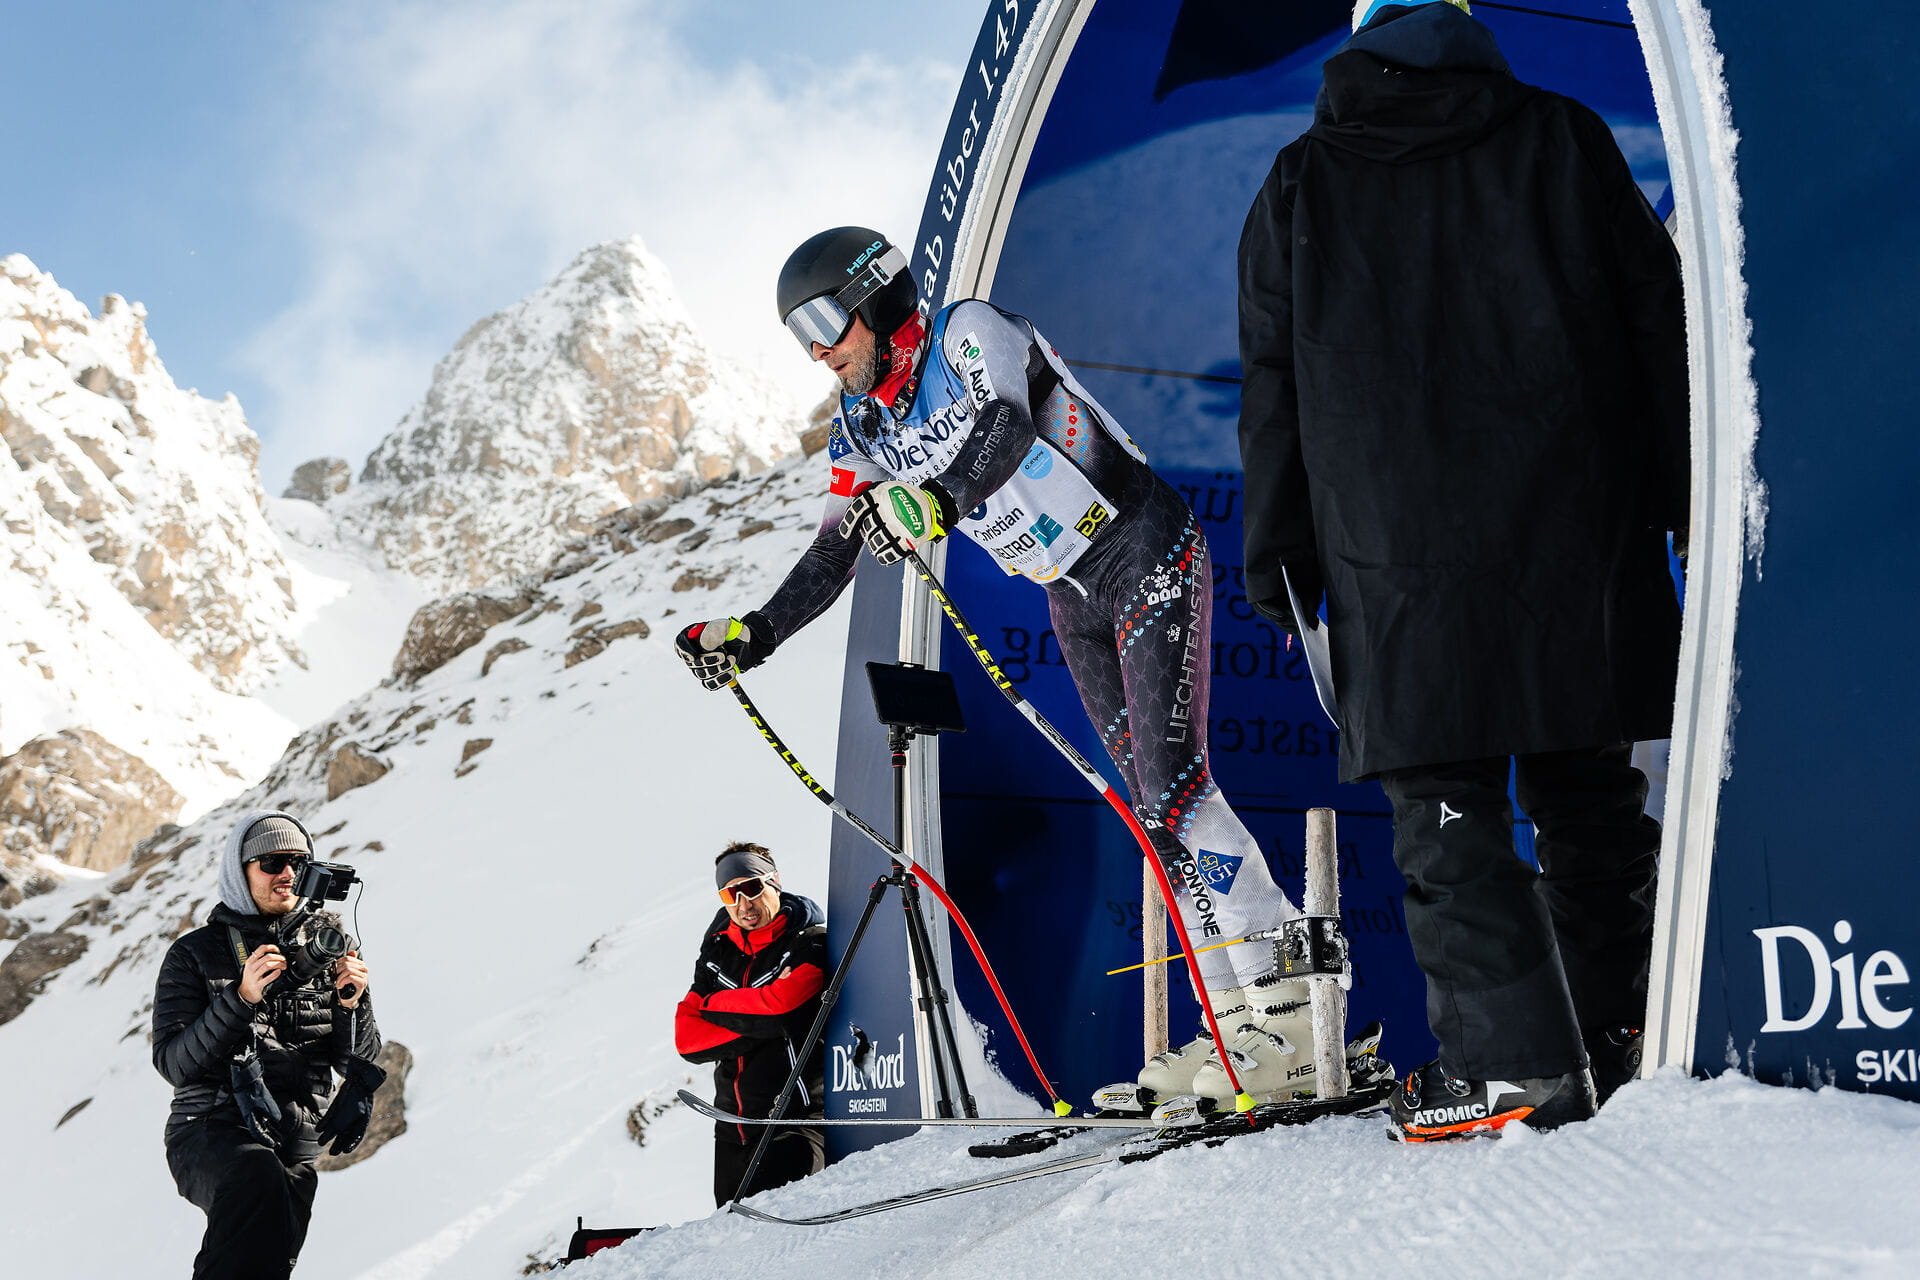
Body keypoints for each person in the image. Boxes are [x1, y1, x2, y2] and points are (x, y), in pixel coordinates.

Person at [674, 226, 1324, 1112]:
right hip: (1071, 593)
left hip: (1139, 546)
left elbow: (1007, 427)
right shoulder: (861, 423)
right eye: (801, 334)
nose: (820, 348)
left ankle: (1288, 1011)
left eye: (827, 320)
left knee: (1176, 792)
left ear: (879, 299)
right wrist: (754, 635)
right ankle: (1238, 1021)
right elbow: (833, 551)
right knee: (1153, 812)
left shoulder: (968, 333)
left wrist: (932, 500)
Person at [1237, 0, 1688, 1140]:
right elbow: (1662, 326)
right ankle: (1627, 1034)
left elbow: (1275, 395)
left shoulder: (1301, 184)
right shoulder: (1566, 136)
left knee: (1448, 815)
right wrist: (1685, 495)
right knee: (1590, 794)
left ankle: (1514, 1070)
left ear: (1358, 39)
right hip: (1577, 540)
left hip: (1402, 562)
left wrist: (1279, 558)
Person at [153, 811, 384, 1278]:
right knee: (255, 1179)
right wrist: (240, 998)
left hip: (293, 1143)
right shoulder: (196, 953)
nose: (287, 874)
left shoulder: (331, 948)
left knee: (267, 1262)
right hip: (210, 1127)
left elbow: (356, 1057)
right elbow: (174, 1063)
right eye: (271, 862)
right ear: (240, 872)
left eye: (298, 863)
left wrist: (349, 1004)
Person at [675, 842, 829, 1204]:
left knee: (781, 1234)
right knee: (732, 1239)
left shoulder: (811, 941)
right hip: (732, 1126)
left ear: (774, 882)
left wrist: (711, 1006)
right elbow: (687, 1038)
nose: (744, 904)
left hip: (795, 1120)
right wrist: (760, 1014)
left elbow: (783, 1009)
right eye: (731, 893)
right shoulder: (716, 952)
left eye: (752, 887)